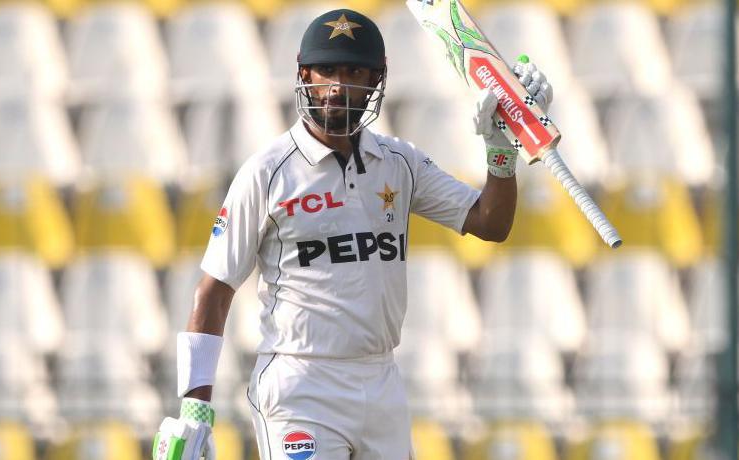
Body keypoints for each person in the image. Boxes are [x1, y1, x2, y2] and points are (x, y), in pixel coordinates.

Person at [153, 8, 553, 460]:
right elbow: (213, 293)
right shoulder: (267, 173)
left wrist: (500, 151)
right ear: (304, 75)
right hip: (300, 386)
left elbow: (490, 223)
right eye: (326, 70)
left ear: (377, 79)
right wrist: (195, 410)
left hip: (381, 381)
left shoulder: (399, 162)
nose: (338, 85)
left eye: (353, 71)